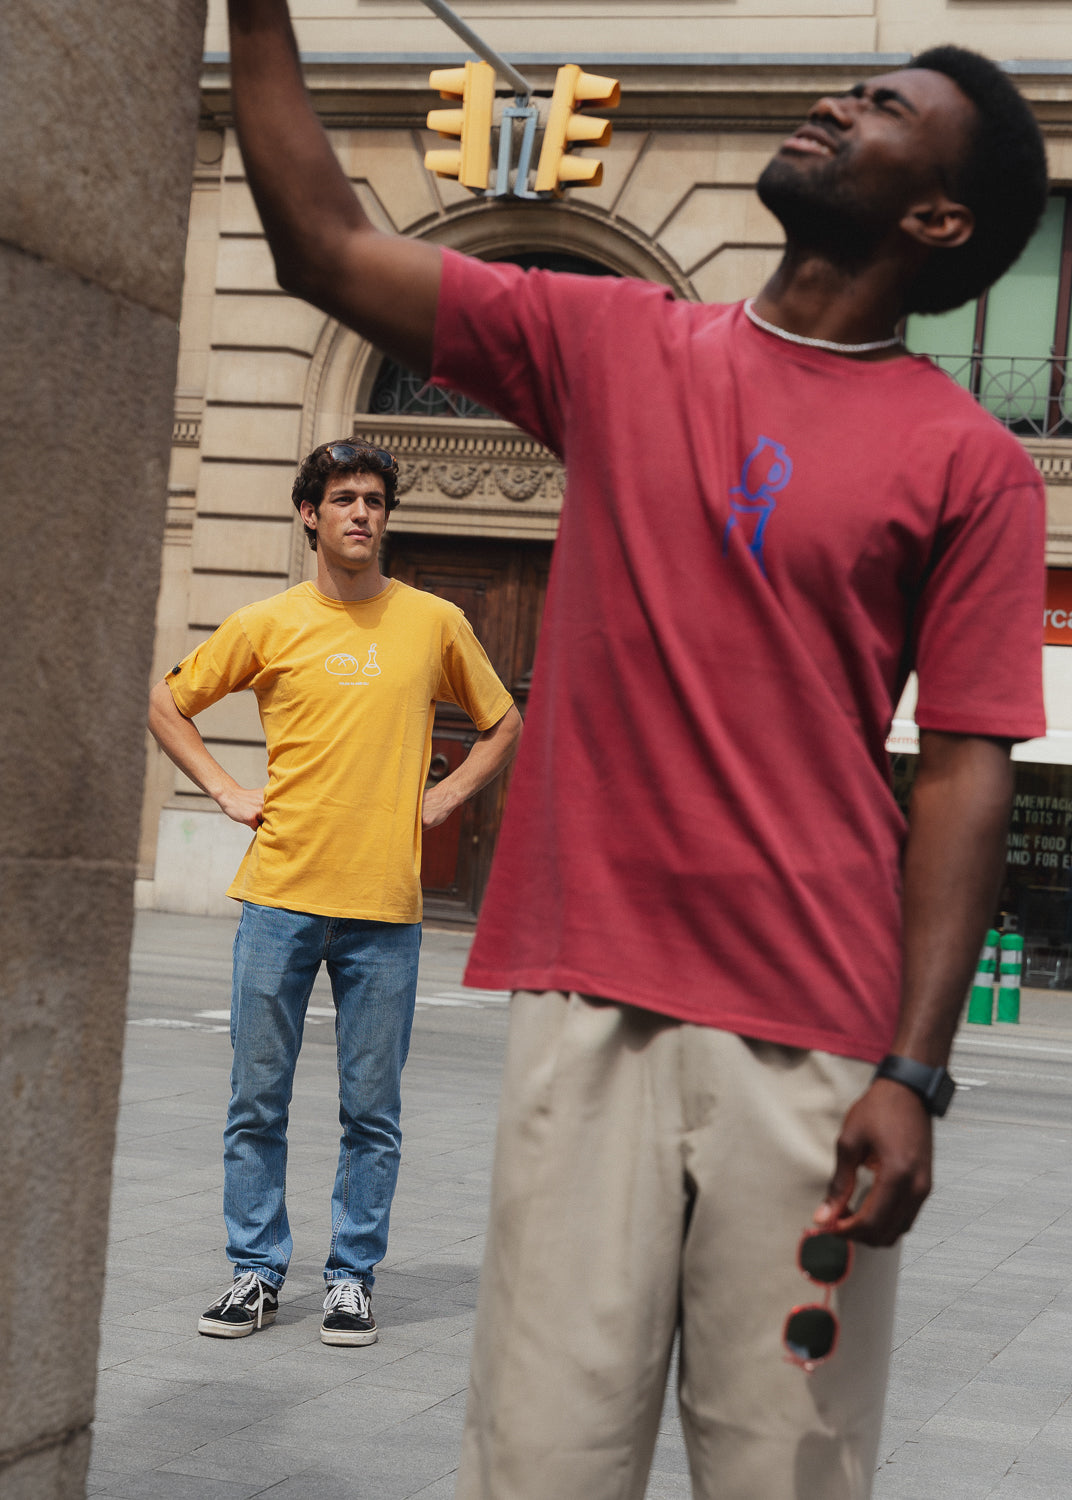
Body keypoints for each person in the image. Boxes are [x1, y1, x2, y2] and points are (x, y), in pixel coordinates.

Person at [222, 6, 1048, 1493]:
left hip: (816, 1052)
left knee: (786, 1476)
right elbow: (322, 246)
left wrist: (912, 1076)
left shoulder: (974, 465)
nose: (831, 105)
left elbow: (967, 770)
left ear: (939, 215)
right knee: (535, 1470)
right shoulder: (610, 341)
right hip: (589, 1013)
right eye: (848, 87)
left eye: (879, 107)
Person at [148, 438, 521, 1346]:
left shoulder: (432, 621)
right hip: (279, 896)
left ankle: (351, 1277)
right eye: (345, 499)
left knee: (373, 1110)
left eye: (376, 501)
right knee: (256, 1099)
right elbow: (167, 703)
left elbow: (505, 719)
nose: (363, 513)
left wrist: (447, 796)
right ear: (310, 514)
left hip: (385, 909)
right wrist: (228, 791)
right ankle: (254, 1272)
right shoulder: (267, 623)